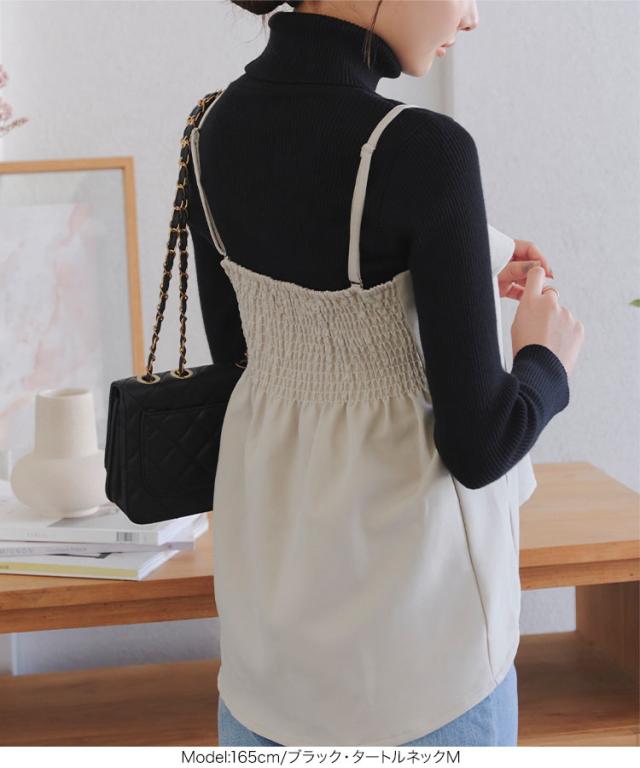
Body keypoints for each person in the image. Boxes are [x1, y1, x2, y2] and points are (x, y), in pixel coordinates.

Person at [185, 0, 585, 748]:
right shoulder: (424, 150)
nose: (472, 17)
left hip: (267, 659)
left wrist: (467, 249)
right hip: (425, 674)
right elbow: (482, 445)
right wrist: (546, 360)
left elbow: (242, 351)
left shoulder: (211, 128)